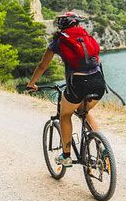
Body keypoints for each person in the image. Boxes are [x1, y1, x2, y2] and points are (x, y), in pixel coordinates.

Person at [26, 12, 106, 167]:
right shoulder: (86, 37)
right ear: (77, 24)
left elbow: (43, 65)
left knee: (65, 114)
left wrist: (32, 83)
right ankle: (102, 147)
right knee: (83, 111)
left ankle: (66, 156)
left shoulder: (59, 41)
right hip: (99, 82)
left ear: (61, 25)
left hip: (78, 84)